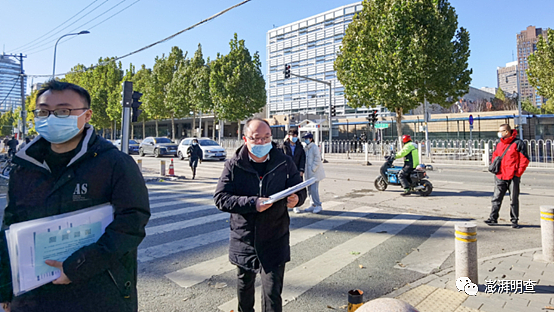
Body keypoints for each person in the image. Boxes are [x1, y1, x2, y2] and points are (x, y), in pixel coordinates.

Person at [0, 80, 150, 312]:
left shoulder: (115, 163)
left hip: (98, 291)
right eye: (43, 111)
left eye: (63, 111)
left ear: (87, 115)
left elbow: (132, 222)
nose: (51, 118)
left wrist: (79, 267)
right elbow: (10, 227)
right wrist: (6, 287)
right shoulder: (23, 166)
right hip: (33, 296)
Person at [214, 117, 307, 312]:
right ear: (245, 138)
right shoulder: (234, 165)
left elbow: (300, 188)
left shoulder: (283, 162)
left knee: (273, 294)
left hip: (275, 237)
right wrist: (252, 203)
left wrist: (297, 198)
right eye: (256, 138)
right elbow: (221, 198)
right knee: (245, 293)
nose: (262, 143)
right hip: (244, 238)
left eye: (266, 138)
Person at [484, 124, 529, 229]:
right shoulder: (499, 144)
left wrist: (518, 173)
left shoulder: (518, 143)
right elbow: (495, 156)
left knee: (513, 199)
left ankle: (514, 220)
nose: (499, 133)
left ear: (507, 132)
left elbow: (524, 160)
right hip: (500, 175)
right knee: (496, 198)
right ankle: (493, 218)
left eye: (501, 131)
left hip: (513, 176)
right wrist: (496, 168)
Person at [280, 129, 306, 211]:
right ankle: (285, 203)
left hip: (297, 169)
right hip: (286, 169)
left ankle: (296, 205)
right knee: (285, 187)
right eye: (292, 136)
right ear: (288, 136)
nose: (294, 138)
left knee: (296, 187)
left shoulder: (299, 146)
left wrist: (301, 170)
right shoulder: (283, 146)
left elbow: (302, 158)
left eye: (295, 136)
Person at [302, 132, 326, 214]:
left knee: (314, 189)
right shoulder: (306, 148)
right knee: (309, 190)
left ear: (311, 139)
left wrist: (313, 169)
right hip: (308, 173)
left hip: (314, 173)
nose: (305, 140)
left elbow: (317, 159)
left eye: (307, 138)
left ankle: (318, 204)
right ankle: (312, 204)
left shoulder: (314, 147)